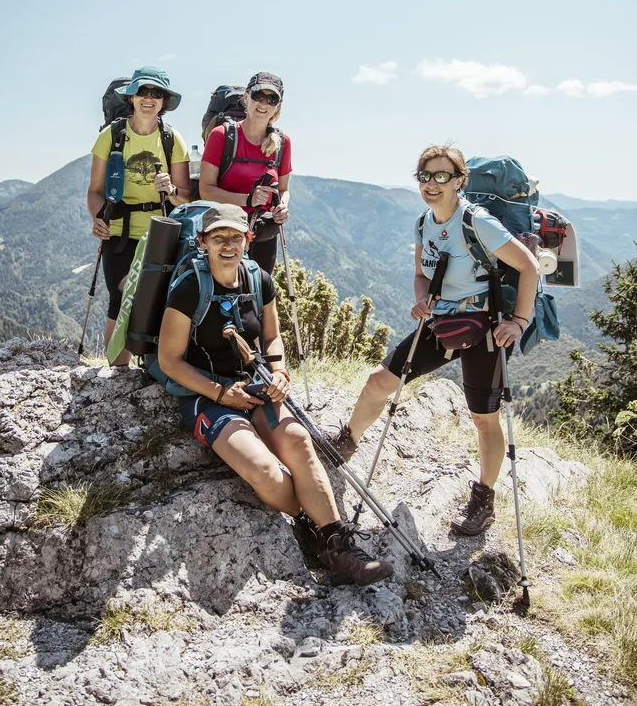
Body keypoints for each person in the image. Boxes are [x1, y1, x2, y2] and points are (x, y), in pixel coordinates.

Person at [157, 203, 393, 586]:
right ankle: (310, 523)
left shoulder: (258, 279)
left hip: (255, 381)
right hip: (204, 393)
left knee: (299, 441)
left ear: (249, 239)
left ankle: (337, 543)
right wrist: (221, 392)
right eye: (219, 238)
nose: (228, 245)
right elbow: (169, 361)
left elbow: (271, 337)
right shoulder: (189, 288)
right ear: (203, 242)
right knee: (264, 470)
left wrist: (280, 371)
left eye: (236, 236)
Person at [329, 145, 540, 536]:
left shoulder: (479, 223)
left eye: (442, 176)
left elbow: (528, 265)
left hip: (484, 326)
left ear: (460, 181)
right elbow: (420, 274)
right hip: (441, 322)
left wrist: (519, 321)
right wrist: (421, 298)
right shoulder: (423, 223)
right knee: (379, 382)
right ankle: (345, 442)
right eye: (425, 176)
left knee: (483, 418)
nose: (431, 183)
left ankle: (484, 500)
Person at [87, 66, 190, 366]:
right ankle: (117, 373)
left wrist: (171, 189)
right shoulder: (112, 136)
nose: (149, 98)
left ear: (164, 101)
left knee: (157, 301)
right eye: (143, 91)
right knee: (121, 298)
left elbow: (186, 196)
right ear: (131, 97)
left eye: (156, 93)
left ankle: (152, 368)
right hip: (118, 231)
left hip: (161, 234)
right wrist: (98, 219)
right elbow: (94, 191)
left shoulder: (172, 140)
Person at [199, 72, 291, 274]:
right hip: (224, 234)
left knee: (258, 298)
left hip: (264, 233)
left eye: (272, 99)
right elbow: (206, 190)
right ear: (247, 97)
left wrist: (282, 206)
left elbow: (284, 190)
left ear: (278, 106)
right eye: (258, 95)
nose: (263, 103)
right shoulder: (222, 135)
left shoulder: (283, 143)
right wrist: (247, 200)